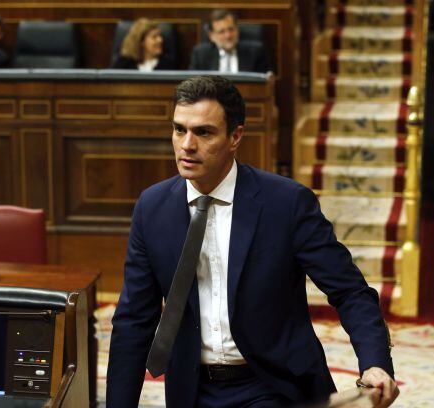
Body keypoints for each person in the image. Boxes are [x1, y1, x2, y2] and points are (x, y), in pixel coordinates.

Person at [106, 75, 399, 407]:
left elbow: (349, 291)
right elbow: (134, 320)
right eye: (179, 130)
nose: (187, 144)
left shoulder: (286, 204)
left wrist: (375, 362)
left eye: (203, 132)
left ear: (235, 137)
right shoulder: (152, 208)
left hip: (273, 384)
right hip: (192, 390)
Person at [189, 10, 269, 73]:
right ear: (211, 36)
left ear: (237, 30)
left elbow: (266, 84)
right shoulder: (201, 54)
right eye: (221, 32)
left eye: (231, 29)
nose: (228, 36)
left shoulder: (256, 52)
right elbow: (192, 86)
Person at [111, 18, 177, 71]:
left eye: (160, 36)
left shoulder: (168, 65)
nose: (160, 40)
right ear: (141, 41)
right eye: (154, 37)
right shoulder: (123, 64)